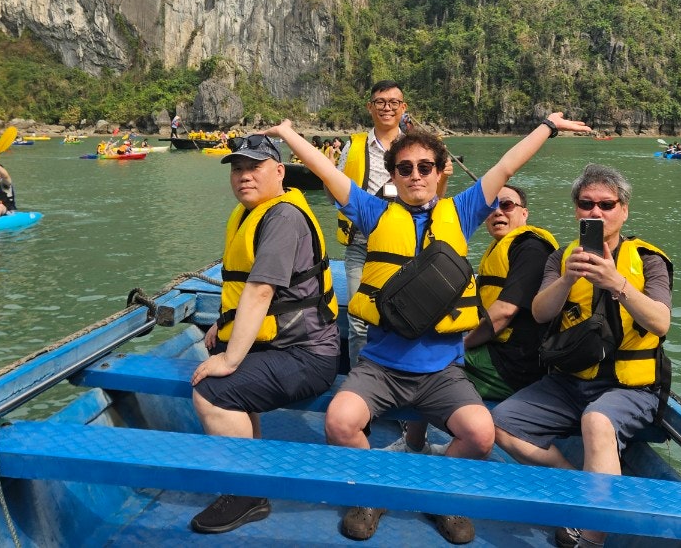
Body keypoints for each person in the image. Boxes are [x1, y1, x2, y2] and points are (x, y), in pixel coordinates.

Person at [268, 112, 593, 544]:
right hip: (381, 367)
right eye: (405, 168)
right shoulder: (374, 213)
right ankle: (374, 493)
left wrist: (547, 127)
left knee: (480, 434)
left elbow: (506, 166)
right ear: (394, 176)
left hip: (442, 371)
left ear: (441, 173)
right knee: (340, 422)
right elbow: (327, 172)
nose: (416, 175)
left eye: (425, 167)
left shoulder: (461, 212)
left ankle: (438, 495)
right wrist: (288, 134)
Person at [492, 164, 672, 548]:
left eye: (606, 204)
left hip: (629, 386)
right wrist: (567, 280)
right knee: (500, 424)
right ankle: (580, 483)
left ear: (624, 210)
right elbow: (541, 313)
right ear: (576, 210)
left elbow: (660, 323)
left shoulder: (648, 259)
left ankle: (590, 538)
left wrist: (617, 283)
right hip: (569, 382)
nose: (596, 212)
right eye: (586, 204)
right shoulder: (562, 259)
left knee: (597, 421)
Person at [188, 134, 340, 535]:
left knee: (212, 393)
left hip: (307, 353)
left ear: (279, 172)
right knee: (228, 374)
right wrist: (222, 327)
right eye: (237, 169)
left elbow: (259, 291)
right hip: (278, 344)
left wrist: (229, 358)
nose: (244, 176)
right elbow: (243, 290)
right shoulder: (252, 213)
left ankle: (247, 493)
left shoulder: (282, 218)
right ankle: (252, 475)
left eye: (254, 167)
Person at [392, 183, 559, 454]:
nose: (498, 212)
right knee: (427, 349)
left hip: (514, 365)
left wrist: (462, 344)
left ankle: (416, 446)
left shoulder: (530, 249)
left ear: (524, 213)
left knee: (426, 365)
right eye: (491, 207)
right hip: (497, 352)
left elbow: (504, 312)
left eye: (507, 205)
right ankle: (420, 439)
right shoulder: (502, 249)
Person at [334, 80, 414, 367]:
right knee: (359, 321)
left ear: (403, 108)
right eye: (380, 102)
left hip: (404, 247)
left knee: (403, 316)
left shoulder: (414, 148)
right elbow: (337, 190)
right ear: (370, 107)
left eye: (393, 102)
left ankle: (397, 377)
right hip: (361, 247)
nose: (386, 108)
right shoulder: (353, 146)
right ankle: (361, 381)